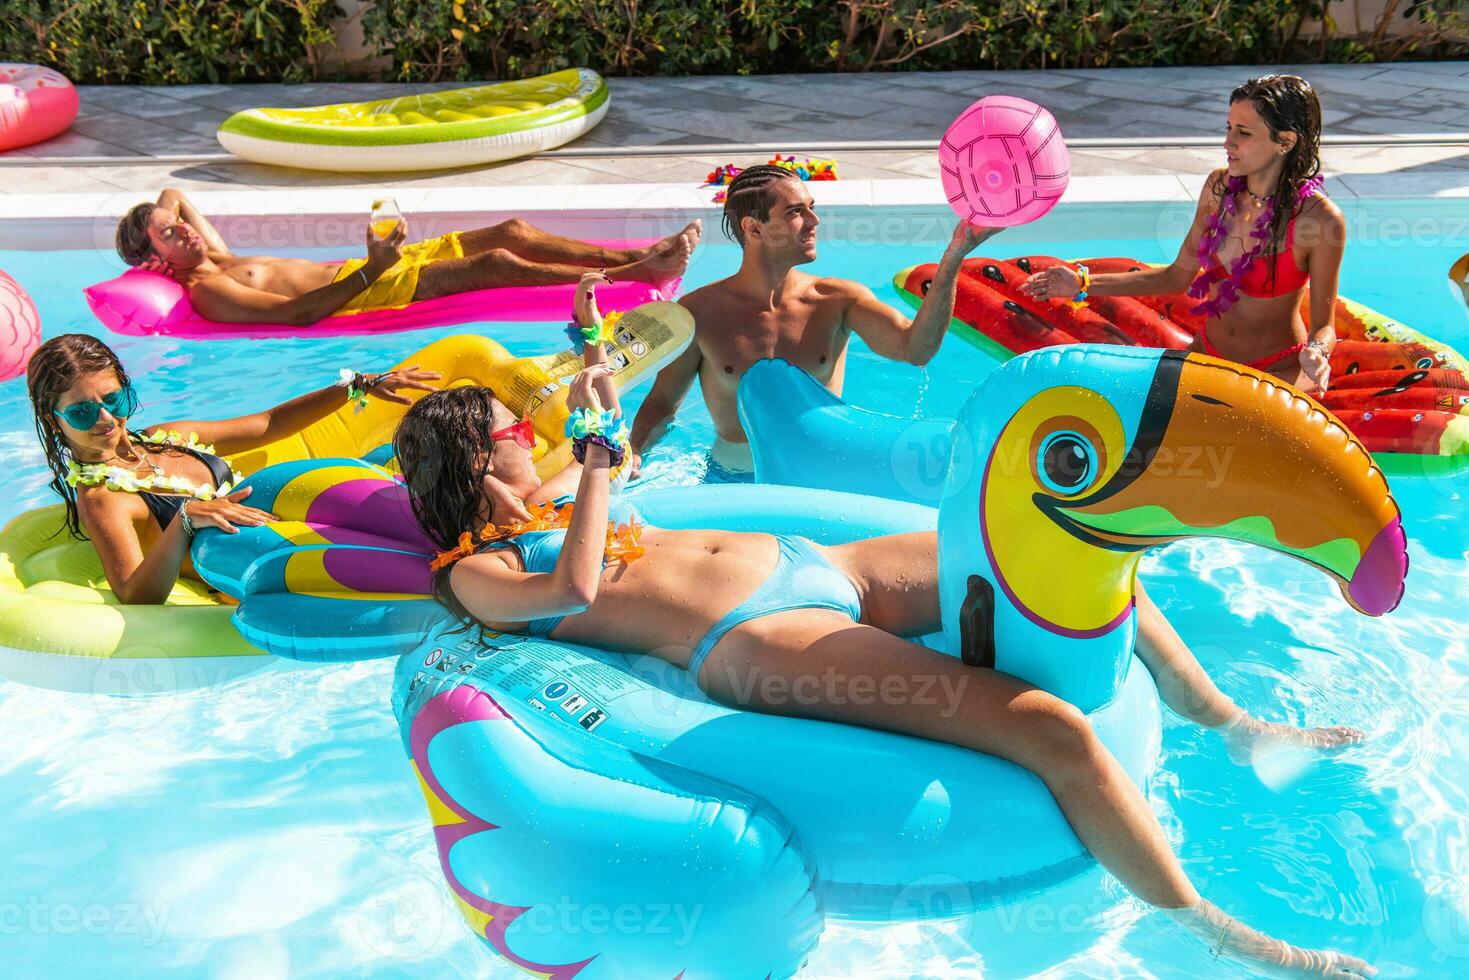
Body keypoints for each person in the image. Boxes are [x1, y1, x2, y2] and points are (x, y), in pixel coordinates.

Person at [393, 275, 1371, 979]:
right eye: (513, 436)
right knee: (1053, 731)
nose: (535, 439)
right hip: (753, 638)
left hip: (817, 565)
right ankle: (1216, 932)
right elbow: (567, 587)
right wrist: (601, 455)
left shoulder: (555, 489)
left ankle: (1222, 716)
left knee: (1052, 551)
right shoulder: (478, 570)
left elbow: (586, 397)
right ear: (475, 466)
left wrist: (590, 348)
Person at [628, 165, 1000, 478]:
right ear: (754, 229)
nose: (814, 221)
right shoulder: (699, 313)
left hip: (823, 473)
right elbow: (662, 402)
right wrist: (633, 453)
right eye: (795, 212)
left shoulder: (837, 301)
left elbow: (915, 349)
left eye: (811, 207)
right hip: (732, 478)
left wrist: (953, 258)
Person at [26, 333, 439, 604]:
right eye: (81, 412)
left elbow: (270, 423)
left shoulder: (167, 436)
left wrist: (358, 386)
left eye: (112, 400)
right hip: (269, 563)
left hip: (305, 524)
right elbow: (134, 594)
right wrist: (185, 520)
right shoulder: (104, 498)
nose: (103, 419)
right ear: (53, 418)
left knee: (394, 456)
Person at [1023, 75, 1344, 394]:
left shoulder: (1318, 221)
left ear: (1285, 141)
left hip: (1276, 371)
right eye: (1228, 128)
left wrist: (1317, 351)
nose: (1228, 142)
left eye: (1243, 133)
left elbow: (1324, 326)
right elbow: (1177, 277)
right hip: (1206, 355)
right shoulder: (1218, 190)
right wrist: (1082, 283)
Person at [112, 189, 700, 326]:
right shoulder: (208, 290)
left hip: (358, 268)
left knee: (512, 229)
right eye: (170, 235)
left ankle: (639, 253)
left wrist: (155, 226)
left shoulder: (212, 252)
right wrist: (374, 266)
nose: (185, 229)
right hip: (364, 286)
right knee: (496, 263)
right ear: (155, 261)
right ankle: (636, 273)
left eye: (179, 227)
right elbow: (295, 315)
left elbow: (173, 195)